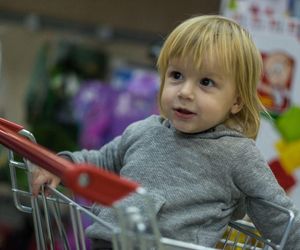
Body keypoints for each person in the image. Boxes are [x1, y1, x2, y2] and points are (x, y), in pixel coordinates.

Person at [31, 15, 300, 249]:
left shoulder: (238, 154)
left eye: (206, 82)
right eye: (176, 76)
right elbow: (100, 161)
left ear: (237, 101)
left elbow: (278, 216)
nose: (184, 92)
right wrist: (62, 165)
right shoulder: (143, 131)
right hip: (109, 242)